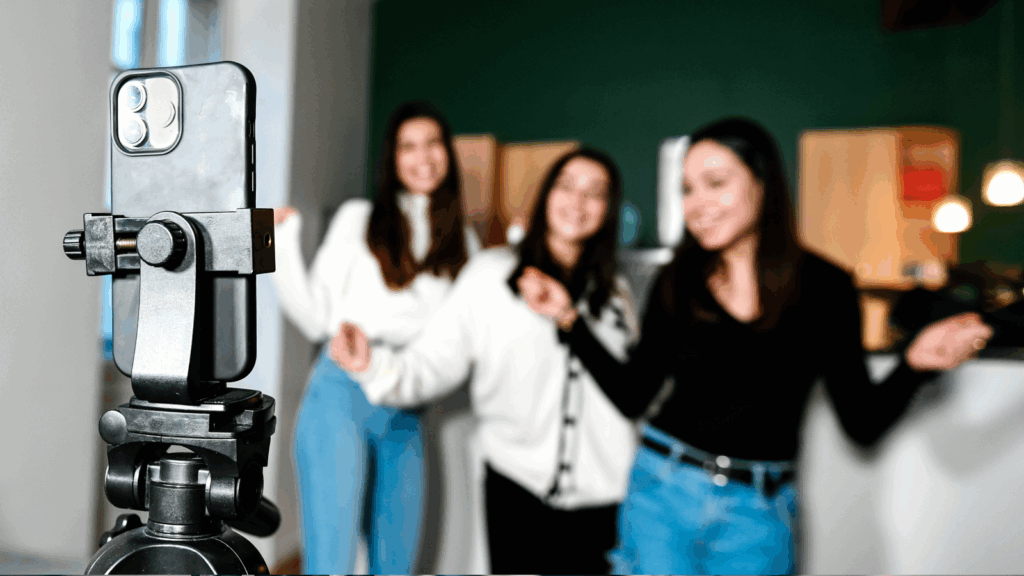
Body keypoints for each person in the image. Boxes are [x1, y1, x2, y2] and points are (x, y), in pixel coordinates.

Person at [516, 117, 994, 575]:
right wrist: (568, 318)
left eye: (715, 183)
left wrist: (915, 365)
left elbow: (862, 423)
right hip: (661, 492)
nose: (697, 204)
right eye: (687, 189)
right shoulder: (678, 279)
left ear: (762, 183)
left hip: (758, 514)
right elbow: (631, 394)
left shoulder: (825, 287)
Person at [332, 148, 640, 574]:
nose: (578, 201)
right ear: (546, 195)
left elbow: (630, 391)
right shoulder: (490, 275)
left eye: (595, 193)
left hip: (603, 500)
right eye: (566, 186)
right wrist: (372, 365)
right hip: (516, 487)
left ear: (608, 210)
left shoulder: (617, 294)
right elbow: (433, 362)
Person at [272, 101, 479, 574]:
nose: (422, 157)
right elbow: (315, 317)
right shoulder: (358, 218)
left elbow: (458, 342)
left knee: (397, 564)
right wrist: (282, 242)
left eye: (433, 144)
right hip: (340, 392)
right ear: (393, 158)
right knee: (331, 562)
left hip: (408, 409)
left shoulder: (464, 244)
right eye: (409, 146)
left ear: (448, 153)